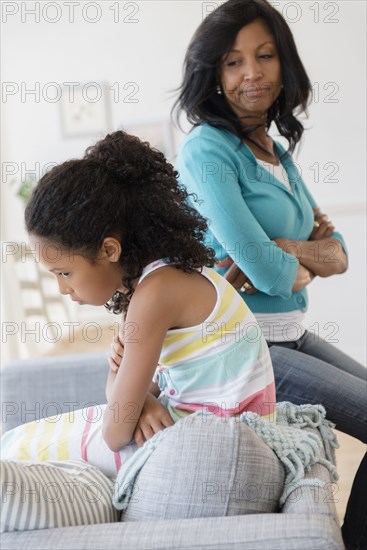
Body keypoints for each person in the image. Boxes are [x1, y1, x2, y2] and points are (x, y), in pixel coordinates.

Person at [173, 0, 366, 548]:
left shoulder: (275, 151)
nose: (251, 73)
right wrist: (296, 260)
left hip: (292, 335)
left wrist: (287, 251)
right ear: (212, 73)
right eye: (233, 62)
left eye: (264, 56)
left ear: (285, 66)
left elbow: (341, 251)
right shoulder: (206, 151)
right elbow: (270, 272)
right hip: (250, 344)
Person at [24, 129, 276, 457]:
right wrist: (138, 395)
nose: (62, 288)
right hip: (207, 433)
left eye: (65, 272)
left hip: (222, 449)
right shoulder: (154, 283)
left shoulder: (155, 294)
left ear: (109, 249)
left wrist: (130, 390)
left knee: (36, 447)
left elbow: (115, 432)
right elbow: (134, 394)